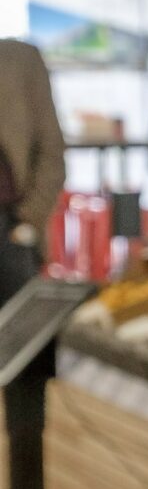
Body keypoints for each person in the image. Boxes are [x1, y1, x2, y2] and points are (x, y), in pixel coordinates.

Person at [0, 38, 65, 298]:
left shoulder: (19, 60)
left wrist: (29, 220)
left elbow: (51, 150)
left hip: (10, 226)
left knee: (22, 331)